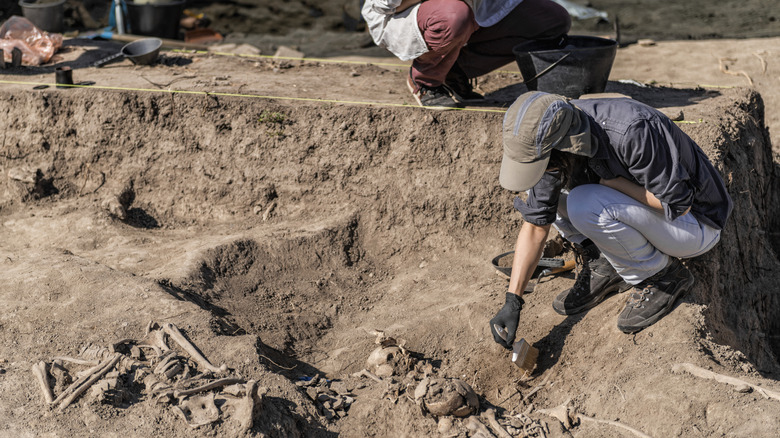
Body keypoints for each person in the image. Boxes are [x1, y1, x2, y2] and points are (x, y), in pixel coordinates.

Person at [490, 91, 733, 348]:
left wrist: (614, 184)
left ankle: (662, 277)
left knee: (583, 203)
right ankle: (605, 264)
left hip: (695, 224)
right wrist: (513, 300)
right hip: (646, 216)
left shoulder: (631, 131)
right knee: (548, 193)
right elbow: (536, 224)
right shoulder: (554, 140)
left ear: (561, 144)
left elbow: (678, 204)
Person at [361, 0, 571, 109]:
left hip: (475, 9)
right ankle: (426, 79)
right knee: (454, 16)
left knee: (551, 21)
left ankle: (453, 70)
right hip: (410, 14)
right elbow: (386, 6)